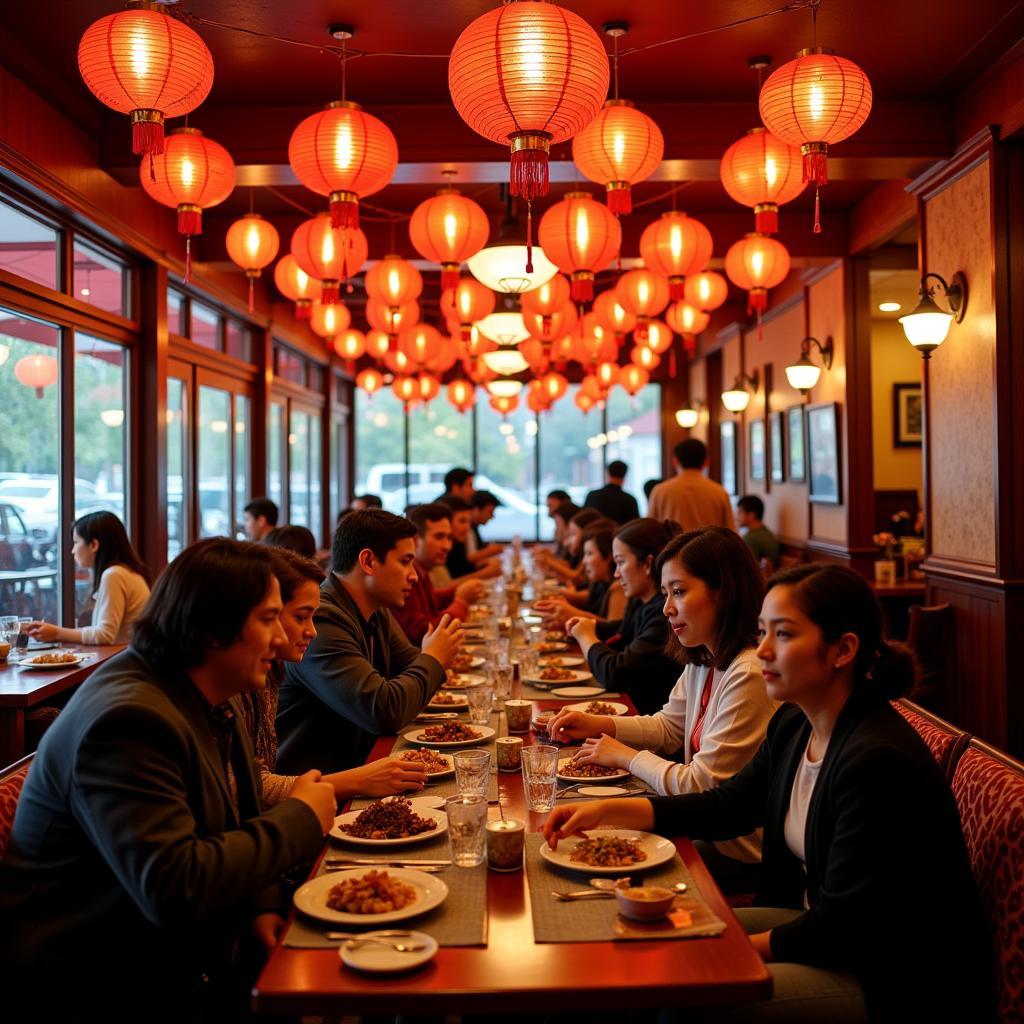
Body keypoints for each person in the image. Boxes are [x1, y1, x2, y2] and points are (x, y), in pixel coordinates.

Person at [545, 564, 995, 1023]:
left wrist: (734, 949)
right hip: (818, 928)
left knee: (688, 991)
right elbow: (728, 805)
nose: (761, 650)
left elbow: (846, 924)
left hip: (891, 975)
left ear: (843, 650)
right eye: (761, 632)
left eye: (782, 635)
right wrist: (607, 810)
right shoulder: (796, 722)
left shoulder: (877, 761)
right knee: (650, 943)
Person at [0, 538, 335, 1020]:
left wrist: (263, 906)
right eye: (267, 620)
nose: (282, 639)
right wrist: (301, 817)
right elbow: (177, 889)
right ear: (213, 630)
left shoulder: (210, 690)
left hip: (178, 951)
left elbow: (240, 817)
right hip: (94, 977)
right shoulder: (128, 720)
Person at [548, 527, 778, 893]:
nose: (668, 607)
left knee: (601, 867)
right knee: (592, 839)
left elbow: (700, 786)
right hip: (701, 832)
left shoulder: (749, 672)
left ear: (724, 591)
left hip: (740, 855)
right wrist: (601, 723)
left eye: (680, 592)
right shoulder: (705, 656)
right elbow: (668, 727)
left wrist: (626, 757)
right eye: (665, 594)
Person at [275, 509, 463, 774]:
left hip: (366, 768)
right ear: (368, 562)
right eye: (405, 561)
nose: (414, 575)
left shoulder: (376, 609)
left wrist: (429, 661)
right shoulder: (320, 618)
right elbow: (383, 711)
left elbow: (410, 668)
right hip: (319, 787)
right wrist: (433, 658)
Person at [238, 548, 429, 806]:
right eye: (300, 617)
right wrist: (359, 780)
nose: (312, 632)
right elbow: (383, 709)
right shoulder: (235, 686)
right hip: (301, 801)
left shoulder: (269, 670)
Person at [565, 518, 682, 714]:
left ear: (647, 563)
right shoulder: (641, 602)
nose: (617, 574)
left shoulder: (663, 613)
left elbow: (616, 674)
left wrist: (587, 637)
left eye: (621, 562)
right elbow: (621, 632)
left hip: (649, 719)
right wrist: (589, 625)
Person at [27, 510, 150, 645]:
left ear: (93, 545)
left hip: (125, 662)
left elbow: (105, 635)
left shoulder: (114, 574)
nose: (72, 550)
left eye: (76, 542)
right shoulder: (126, 572)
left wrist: (56, 633)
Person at [393, 503, 485, 644]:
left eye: (449, 538)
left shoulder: (424, 569)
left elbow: (433, 601)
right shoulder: (407, 577)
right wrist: (461, 602)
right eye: (439, 537)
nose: (447, 546)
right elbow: (424, 634)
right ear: (416, 540)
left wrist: (459, 592)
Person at [533, 523, 626, 628]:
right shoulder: (599, 582)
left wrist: (573, 614)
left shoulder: (618, 587)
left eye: (589, 554)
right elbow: (579, 598)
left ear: (608, 556)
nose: (584, 561)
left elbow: (614, 631)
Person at [648, 439, 735, 531]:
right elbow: (731, 532)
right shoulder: (720, 492)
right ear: (706, 462)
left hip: (674, 545)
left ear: (675, 461)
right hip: (709, 545)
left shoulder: (660, 491)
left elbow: (651, 529)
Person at [436, 495, 501, 584]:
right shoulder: (440, 549)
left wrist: (483, 565)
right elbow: (443, 586)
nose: (467, 527)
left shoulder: (458, 543)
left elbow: (463, 570)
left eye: (468, 522)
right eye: (462, 521)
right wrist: (485, 573)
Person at [584, 459, 641, 525]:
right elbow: (634, 526)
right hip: (620, 534)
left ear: (607, 473)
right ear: (625, 475)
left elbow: (584, 521)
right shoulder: (630, 500)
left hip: (594, 535)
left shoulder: (592, 496)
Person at [736, 494, 781, 570]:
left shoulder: (750, 539)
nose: (737, 517)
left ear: (751, 515)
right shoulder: (766, 532)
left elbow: (747, 569)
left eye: (740, 512)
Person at [468, 489, 504, 563]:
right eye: (490, 512)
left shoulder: (474, 528)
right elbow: (470, 557)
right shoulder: (467, 529)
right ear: (476, 509)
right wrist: (492, 550)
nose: (492, 516)